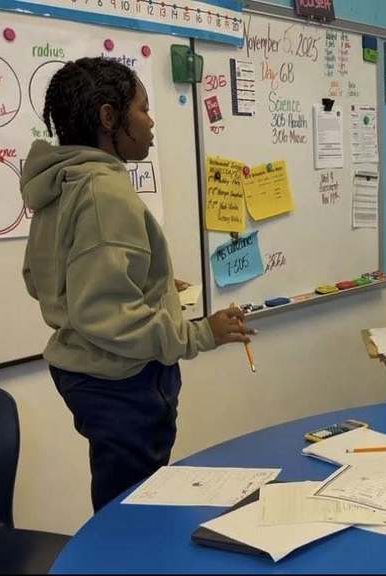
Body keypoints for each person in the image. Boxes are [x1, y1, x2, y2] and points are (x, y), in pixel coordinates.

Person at [21, 57, 253, 512]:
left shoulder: (62, 181)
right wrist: (202, 333)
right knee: (135, 508)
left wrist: (154, 281)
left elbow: (43, 277)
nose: (151, 122)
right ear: (109, 117)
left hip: (85, 374)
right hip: (121, 379)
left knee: (120, 498)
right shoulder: (104, 192)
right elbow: (106, 315)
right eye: (144, 109)